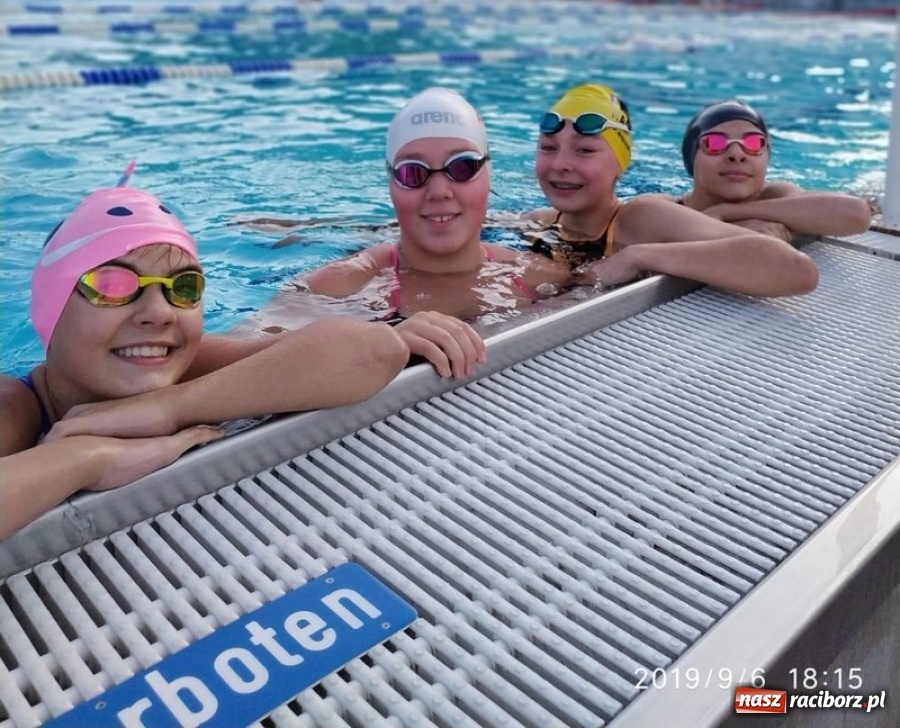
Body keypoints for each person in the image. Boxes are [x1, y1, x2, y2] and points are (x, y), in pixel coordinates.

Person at [0, 182, 409, 540]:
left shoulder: (183, 366)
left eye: (183, 286)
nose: (159, 313)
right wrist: (86, 459)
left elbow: (374, 351)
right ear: (51, 311)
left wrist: (168, 407)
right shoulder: (15, 409)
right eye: (112, 285)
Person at [237, 88, 573, 376]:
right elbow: (221, 358)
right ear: (391, 185)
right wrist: (376, 343)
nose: (439, 190)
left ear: (488, 174)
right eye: (414, 172)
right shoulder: (340, 285)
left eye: (462, 167)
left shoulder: (539, 276)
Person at [522, 83, 819, 298]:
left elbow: (793, 269)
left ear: (620, 164)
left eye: (585, 150)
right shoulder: (540, 220)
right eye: (548, 148)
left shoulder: (643, 217)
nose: (561, 164)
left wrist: (638, 256)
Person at [674, 100, 873, 241]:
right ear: (691, 157)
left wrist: (727, 212)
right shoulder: (670, 208)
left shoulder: (774, 195)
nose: (736, 154)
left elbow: (856, 213)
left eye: (753, 143)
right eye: (714, 143)